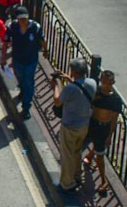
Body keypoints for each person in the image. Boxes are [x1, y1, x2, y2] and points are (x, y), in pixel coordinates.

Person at [52, 58, 97, 195]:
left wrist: (56, 84)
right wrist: (67, 78)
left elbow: (57, 102)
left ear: (75, 72)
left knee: (67, 155)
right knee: (77, 151)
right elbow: (81, 87)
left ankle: (67, 183)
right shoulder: (92, 83)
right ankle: (77, 177)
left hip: (70, 126)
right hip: (84, 125)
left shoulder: (70, 88)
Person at [2, 6, 46, 120]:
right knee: (20, 78)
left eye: (25, 19)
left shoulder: (35, 27)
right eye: (21, 19)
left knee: (29, 82)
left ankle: (26, 108)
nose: (23, 21)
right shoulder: (12, 27)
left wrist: (46, 51)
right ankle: (22, 89)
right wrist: (3, 59)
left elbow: (42, 40)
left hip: (31, 61)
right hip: (17, 60)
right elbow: (5, 43)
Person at [83, 70, 122, 196]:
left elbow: (114, 119)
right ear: (101, 80)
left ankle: (104, 181)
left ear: (113, 82)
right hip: (92, 124)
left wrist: (110, 135)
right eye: (104, 81)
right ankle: (89, 156)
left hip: (103, 128)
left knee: (100, 155)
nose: (106, 84)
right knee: (94, 146)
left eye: (109, 82)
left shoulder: (115, 100)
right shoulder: (96, 92)